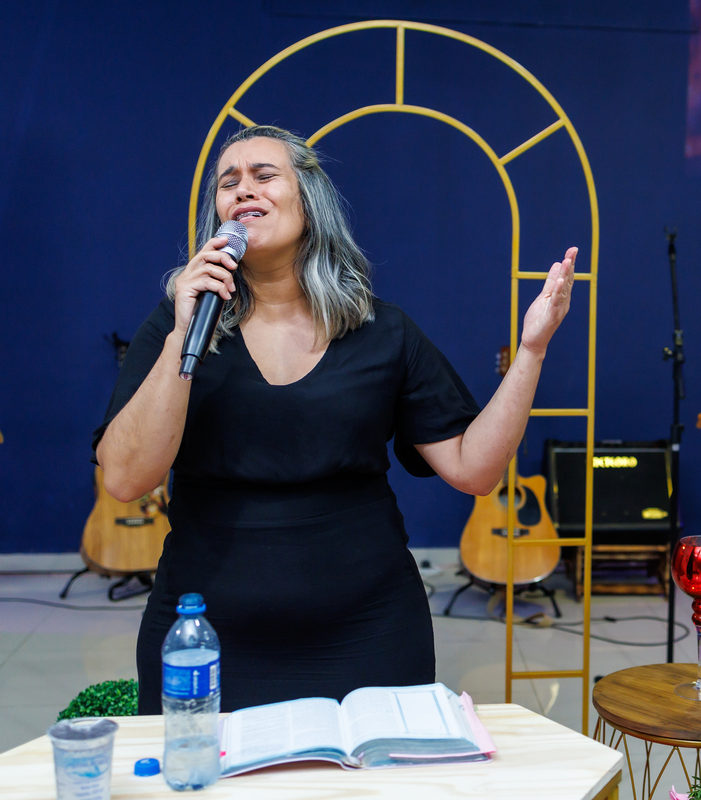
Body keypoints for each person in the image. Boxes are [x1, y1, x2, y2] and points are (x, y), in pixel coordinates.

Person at [93, 125, 578, 714]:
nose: (243, 189)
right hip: (208, 634)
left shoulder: (381, 330)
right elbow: (125, 479)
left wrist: (532, 351)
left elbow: (474, 469)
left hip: (368, 631)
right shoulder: (179, 323)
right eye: (228, 182)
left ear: (310, 199)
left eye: (264, 176)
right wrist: (180, 336)